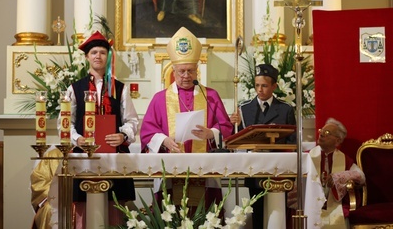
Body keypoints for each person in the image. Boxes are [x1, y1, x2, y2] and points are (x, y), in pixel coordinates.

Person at [140, 26, 233, 215]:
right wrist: (164, 140)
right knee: (171, 216)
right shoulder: (160, 98)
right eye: (181, 71)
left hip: (205, 169)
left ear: (197, 70)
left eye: (190, 71)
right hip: (171, 168)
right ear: (173, 70)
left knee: (206, 216)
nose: (186, 76)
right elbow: (147, 132)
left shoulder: (211, 96)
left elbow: (226, 127)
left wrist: (211, 133)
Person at [61, 31, 139, 228]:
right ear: (87, 57)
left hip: (114, 156)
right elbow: (65, 123)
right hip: (83, 157)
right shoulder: (74, 88)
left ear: (108, 56)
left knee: (116, 208)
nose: (98, 56)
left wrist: (122, 136)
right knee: (82, 208)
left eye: (102, 52)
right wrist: (77, 139)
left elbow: (132, 121)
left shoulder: (120, 88)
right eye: (94, 52)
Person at [230, 63, 296, 229]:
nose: (260, 90)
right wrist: (234, 125)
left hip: (278, 170)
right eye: (257, 85)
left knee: (278, 210)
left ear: (274, 86)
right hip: (255, 169)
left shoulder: (285, 109)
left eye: (265, 86)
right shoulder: (244, 108)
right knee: (257, 210)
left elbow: (292, 141)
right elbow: (235, 140)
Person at [288, 118, 365, 228]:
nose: (322, 135)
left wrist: (337, 177)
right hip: (309, 205)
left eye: (327, 133)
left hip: (334, 207)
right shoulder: (308, 156)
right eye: (321, 131)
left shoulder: (344, 159)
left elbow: (361, 176)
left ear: (338, 141)